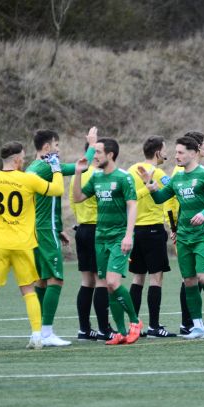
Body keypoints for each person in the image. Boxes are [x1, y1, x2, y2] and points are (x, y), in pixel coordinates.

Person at [0, 141, 65, 351]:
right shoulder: (28, 179)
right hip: (23, 245)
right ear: (17, 160)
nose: (24, 161)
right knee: (28, 291)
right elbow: (58, 189)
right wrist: (56, 168)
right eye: (23, 158)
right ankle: (37, 337)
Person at [138, 136, 204, 339]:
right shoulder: (177, 178)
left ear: (194, 153)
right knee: (189, 281)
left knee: (203, 278)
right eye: (176, 152)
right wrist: (151, 185)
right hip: (185, 235)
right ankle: (196, 326)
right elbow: (161, 198)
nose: (176, 156)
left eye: (180, 152)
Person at [72, 137, 142, 345]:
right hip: (99, 237)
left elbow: (132, 205)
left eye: (99, 152)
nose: (95, 156)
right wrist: (77, 173)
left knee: (112, 282)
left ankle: (135, 322)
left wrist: (129, 234)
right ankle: (120, 332)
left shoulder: (124, 178)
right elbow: (77, 198)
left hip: (119, 236)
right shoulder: (96, 177)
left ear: (110, 155)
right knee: (109, 286)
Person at [24, 128, 77, 347]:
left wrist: (59, 226)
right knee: (56, 278)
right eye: (56, 145)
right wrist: (93, 149)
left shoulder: (32, 167)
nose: (58, 150)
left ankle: (38, 332)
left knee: (42, 280)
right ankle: (46, 332)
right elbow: (78, 167)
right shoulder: (47, 167)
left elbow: (43, 203)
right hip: (45, 230)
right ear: (46, 148)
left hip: (37, 229)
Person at [165, 130, 204, 335]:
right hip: (185, 231)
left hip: (203, 230)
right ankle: (189, 322)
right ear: (197, 148)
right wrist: (174, 227)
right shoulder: (179, 174)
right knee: (189, 278)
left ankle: (195, 321)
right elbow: (169, 202)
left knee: (197, 277)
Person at [127, 136, 176, 337]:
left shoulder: (130, 171)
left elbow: (127, 196)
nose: (167, 154)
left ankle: (133, 325)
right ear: (157, 153)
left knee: (137, 278)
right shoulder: (160, 173)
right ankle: (154, 326)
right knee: (156, 278)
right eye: (165, 150)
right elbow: (175, 191)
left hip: (135, 230)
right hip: (154, 230)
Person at [68, 134, 113, 341]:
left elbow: (74, 200)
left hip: (82, 230)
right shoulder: (98, 175)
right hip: (98, 230)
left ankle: (84, 329)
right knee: (102, 280)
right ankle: (105, 329)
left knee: (87, 281)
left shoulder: (78, 175)